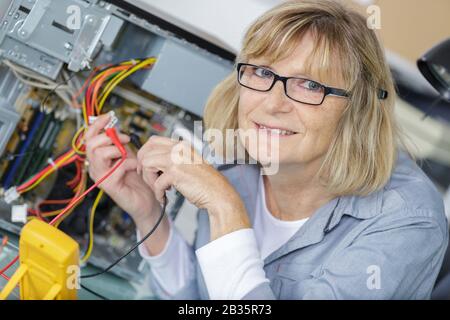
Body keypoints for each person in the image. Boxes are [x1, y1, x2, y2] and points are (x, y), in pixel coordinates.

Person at [85, 0, 449, 299]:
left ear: (358, 108)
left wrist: (226, 207)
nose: (273, 103)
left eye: (309, 84)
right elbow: (197, 299)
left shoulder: (407, 221)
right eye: (261, 73)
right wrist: (150, 215)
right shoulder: (234, 159)